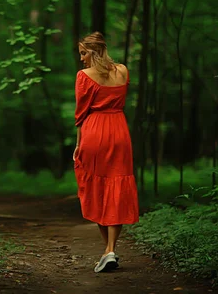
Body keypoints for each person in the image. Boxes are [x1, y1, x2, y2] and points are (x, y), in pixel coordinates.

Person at [72, 32, 139, 273]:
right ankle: (109, 250)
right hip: (120, 131)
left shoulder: (84, 77)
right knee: (117, 188)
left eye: (83, 53)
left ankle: (108, 251)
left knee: (98, 188)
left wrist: (78, 145)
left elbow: (81, 114)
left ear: (93, 51)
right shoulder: (122, 70)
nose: (81, 59)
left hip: (95, 132)